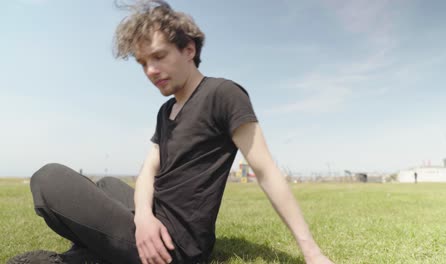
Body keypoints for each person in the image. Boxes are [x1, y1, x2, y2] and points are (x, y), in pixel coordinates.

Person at [8, 1, 333, 263]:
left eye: (159, 56)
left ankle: (81, 257)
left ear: (189, 50)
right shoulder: (167, 110)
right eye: (143, 62)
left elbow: (266, 171)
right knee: (108, 184)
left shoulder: (223, 94)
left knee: (48, 179)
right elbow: (149, 171)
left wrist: (312, 252)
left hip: (176, 246)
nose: (150, 71)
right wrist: (145, 218)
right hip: (156, 221)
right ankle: (96, 253)